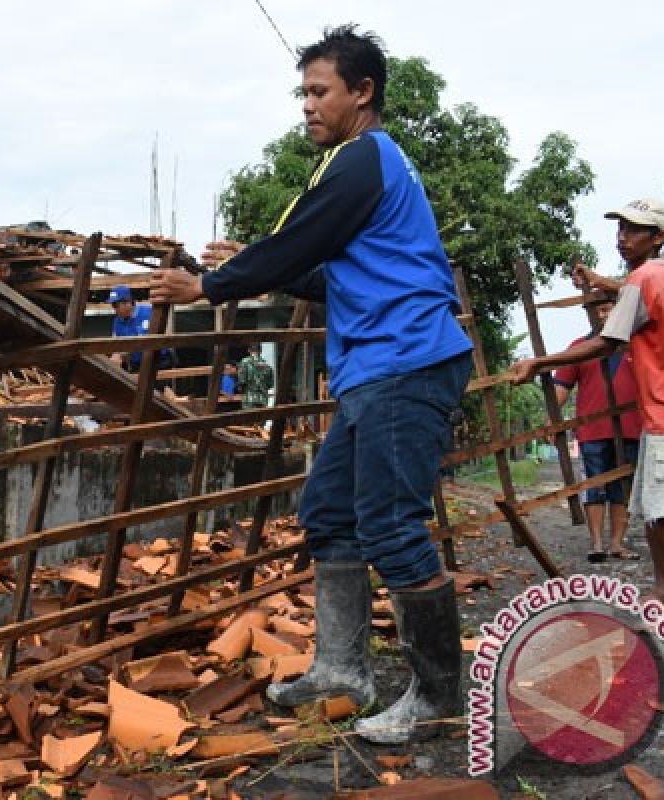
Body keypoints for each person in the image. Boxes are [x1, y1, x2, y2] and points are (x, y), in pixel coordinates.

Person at [150, 24, 472, 744]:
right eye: (302, 92)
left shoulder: (357, 161)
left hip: (405, 360)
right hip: (378, 366)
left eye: (318, 91)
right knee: (330, 512)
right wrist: (253, 262)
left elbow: (298, 243)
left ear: (362, 93)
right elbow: (329, 272)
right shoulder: (371, 168)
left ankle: (440, 701)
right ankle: (343, 670)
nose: (306, 106)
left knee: (391, 526)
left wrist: (211, 283)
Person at [513, 198, 664, 632]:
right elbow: (636, 290)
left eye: (635, 230)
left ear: (657, 237)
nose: (623, 236)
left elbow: (606, 342)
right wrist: (602, 281)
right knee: (652, 508)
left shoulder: (642, 279)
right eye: (621, 228)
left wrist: (539, 363)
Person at [552, 297, 642, 564]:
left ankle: (617, 543)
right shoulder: (580, 348)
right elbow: (562, 387)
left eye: (610, 307)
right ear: (590, 313)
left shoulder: (636, 346)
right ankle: (596, 543)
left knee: (622, 487)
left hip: (631, 429)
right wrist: (551, 420)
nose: (605, 313)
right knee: (594, 486)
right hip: (592, 430)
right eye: (599, 309)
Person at [107, 284, 172, 371]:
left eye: (115, 305)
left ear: (128, 302)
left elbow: (160, 338)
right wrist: (116, 357)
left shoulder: (150, 313)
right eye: (113, 305)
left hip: (160, 362)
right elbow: (116, 344)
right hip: (137, 365)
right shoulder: (117, 321)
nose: (114, 309)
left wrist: (124, 352)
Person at [237, 344, 275, 409]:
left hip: (249, 399)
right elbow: (270, 385)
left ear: (249, 350)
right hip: (263, 399)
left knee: (249, 418)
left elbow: (241, 381)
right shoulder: (267, 365)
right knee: (261, 418)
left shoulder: (244, 362)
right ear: (260, 351)